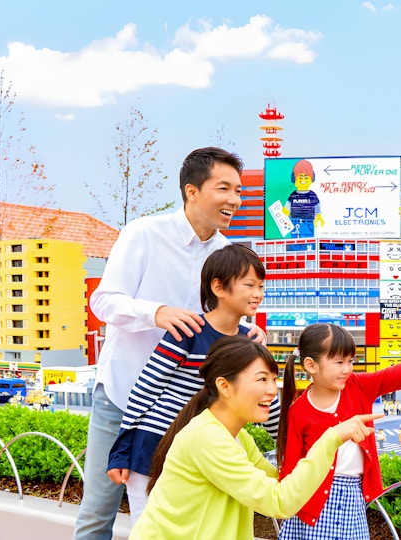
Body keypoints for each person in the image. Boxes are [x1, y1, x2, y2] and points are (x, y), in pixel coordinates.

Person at [74, 147, 259, 540]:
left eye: (239, 191)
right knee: (97, 514)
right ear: (192, 191)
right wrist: (156, 312)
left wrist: (250, 334)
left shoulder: (227, 254)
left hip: (187, 411)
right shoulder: (143, 233)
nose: (234, 200)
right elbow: (103, 301)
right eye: (223, 188)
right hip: (123, 395)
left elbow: (229, 318)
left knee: (175, 521)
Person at [129, 336, 379, 540]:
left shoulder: (238, 438)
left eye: (273, 379)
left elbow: (285, 484)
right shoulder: (207, 438)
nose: (272, 390)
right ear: (225, 386)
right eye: (261, 379)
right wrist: (332, 436)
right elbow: (279, 501)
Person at [106, 244, 271, 522]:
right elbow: (146, 389)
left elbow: (266, 399)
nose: (258, 294)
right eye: (249, 285)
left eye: (261, 286)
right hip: (156, 445)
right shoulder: (189, 331)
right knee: (151, 529)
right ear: (218, 287)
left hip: (206, 450)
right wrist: (121, 452)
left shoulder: (250, 341)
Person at [276, 323, 401, 540]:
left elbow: (393, 376)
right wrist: (285, 507)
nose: (347, 369)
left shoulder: (357, 386)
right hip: (312, 500)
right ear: (311, 365)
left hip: (353, 495)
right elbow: (291, 464)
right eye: (339, 362)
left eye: (350, 361)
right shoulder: (299, 411)